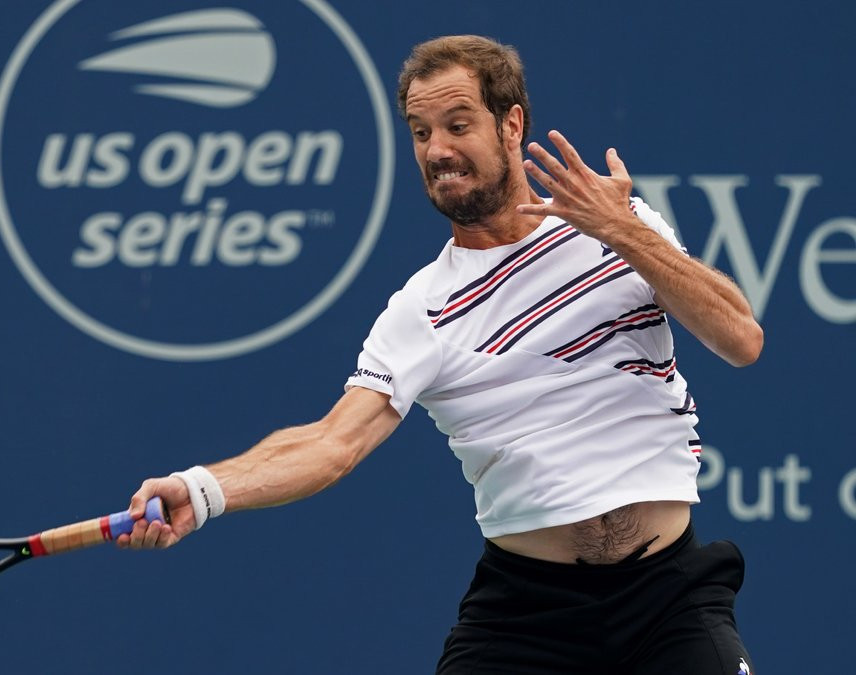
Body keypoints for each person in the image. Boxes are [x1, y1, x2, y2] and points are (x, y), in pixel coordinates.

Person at [118, 35, 763, 674]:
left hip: (670, 598)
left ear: (511, 125)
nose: (438, 151)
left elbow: (741, 339)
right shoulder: (420, 310)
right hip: (528, 620)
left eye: (458, 125)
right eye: (421, 132)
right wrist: (203, 490)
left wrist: (620, 229)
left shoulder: (618, 225)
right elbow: (331, 444)